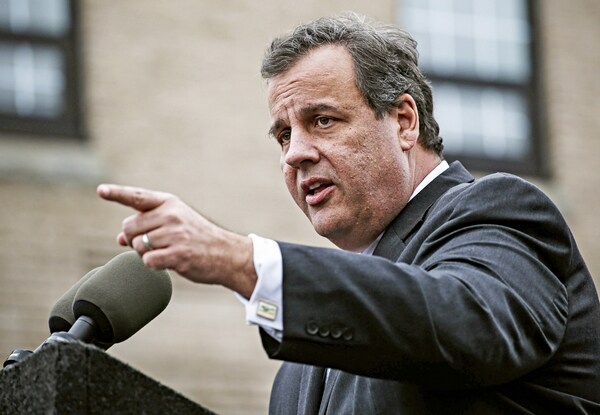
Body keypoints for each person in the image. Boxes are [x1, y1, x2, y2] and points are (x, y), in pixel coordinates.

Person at [97, 13, 600, 414]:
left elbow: (468, 325)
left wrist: (241, 262)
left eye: (322, 120)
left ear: (404, 121)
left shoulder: (499, 212)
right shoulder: (296, 372)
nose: (295, 154)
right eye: (284, 135)